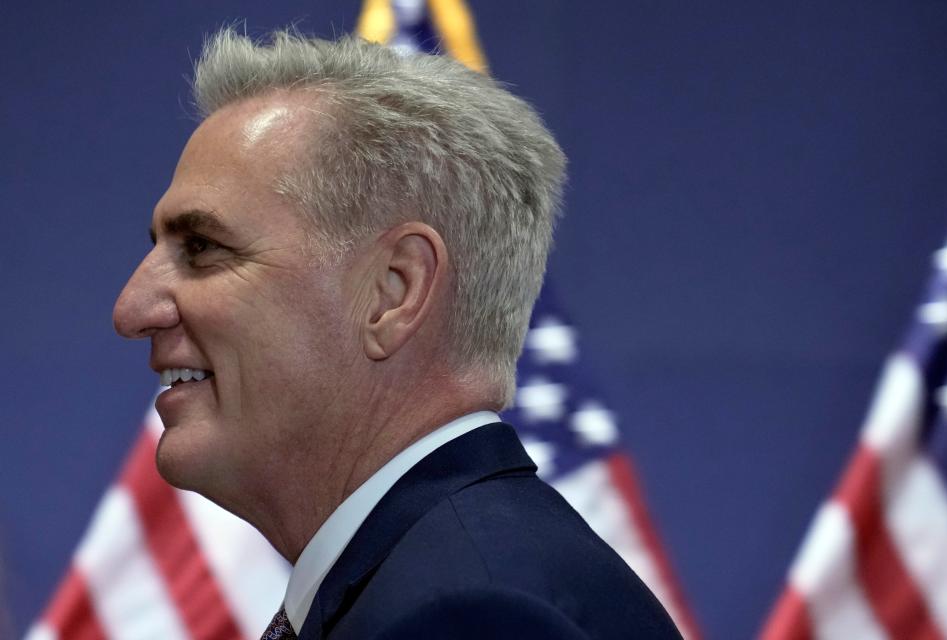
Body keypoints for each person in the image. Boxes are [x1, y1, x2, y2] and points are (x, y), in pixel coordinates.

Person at [113, 27, 681, 640]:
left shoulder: (474, 617)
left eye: (203, 248)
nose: (131, 309)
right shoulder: (445, 575)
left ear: (393, 292)